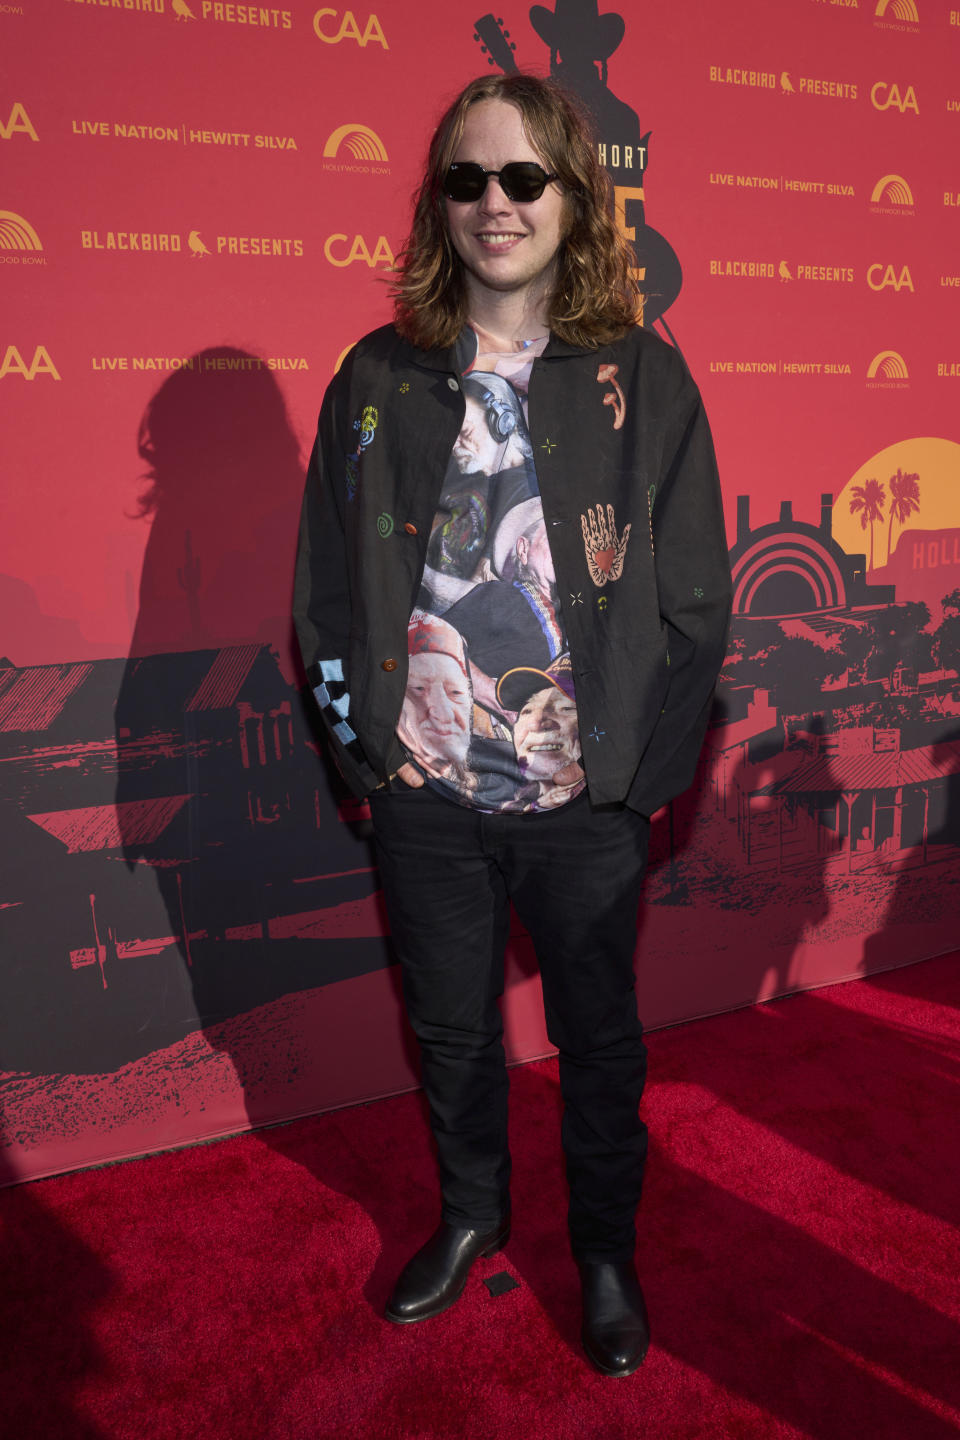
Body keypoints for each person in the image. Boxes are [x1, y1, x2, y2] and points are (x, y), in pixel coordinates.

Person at [294, 71, 732, 1377]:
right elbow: (324, 589)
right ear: (439, 205)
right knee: (449, 1030)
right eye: (467, 180)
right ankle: (472, 1213)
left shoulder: (641, 378)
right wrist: (361, 750)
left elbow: (697, 597)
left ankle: (604, 1249)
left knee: (598, 1040)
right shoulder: (378, 374)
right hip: (423, 788)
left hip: (581, 796)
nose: (496, 204)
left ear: (570, 199)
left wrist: (637, 780)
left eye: (523, 178)